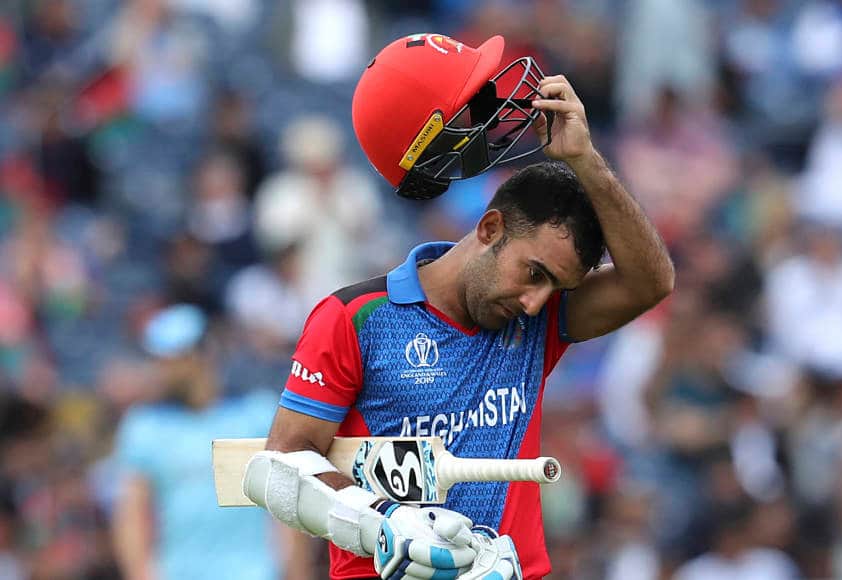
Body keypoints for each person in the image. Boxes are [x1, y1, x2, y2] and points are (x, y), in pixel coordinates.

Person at [242, 33, 675, 580]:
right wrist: (386, 523)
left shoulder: (539, 320)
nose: (535, 302)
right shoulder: (354, 317)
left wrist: (585, 160)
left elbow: (650, 281)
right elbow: (281, 467)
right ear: (490, 227)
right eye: (534, 274)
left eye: (555, 289)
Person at [111, 304, 311, 580]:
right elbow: (131, 516)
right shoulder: (144, 427)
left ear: (202, 354)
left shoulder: (256, 415)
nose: (161, 370)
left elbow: (286, 509)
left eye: (172, 359)